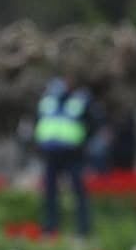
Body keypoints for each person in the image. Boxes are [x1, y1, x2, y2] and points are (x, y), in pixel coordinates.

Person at [34, 75, 94, 236]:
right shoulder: (46, 102)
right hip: (51, 154)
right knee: (50, 193)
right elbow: (38, 123)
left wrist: (83, 144)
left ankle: (83, 229)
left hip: (72, 154)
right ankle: (50, 227)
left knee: (78, 192)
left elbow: (91, 124)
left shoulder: (79, 101)